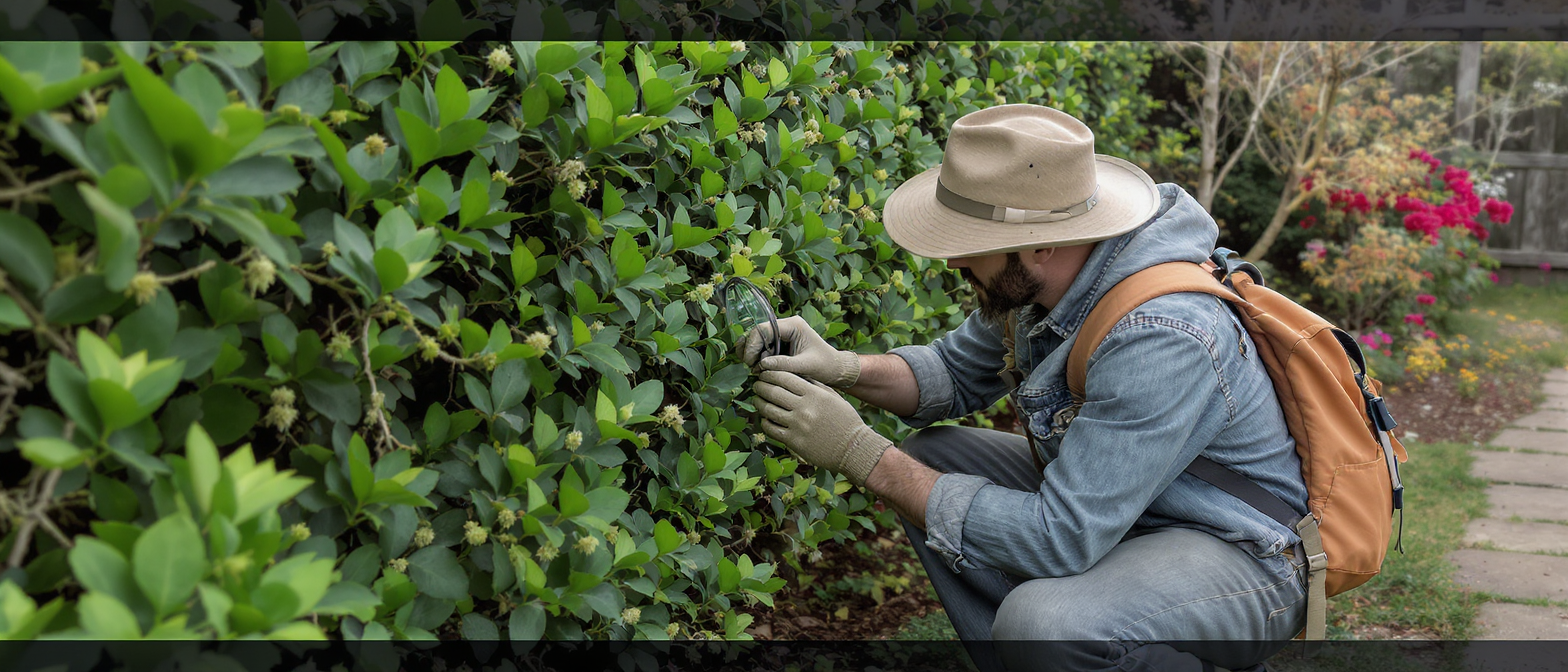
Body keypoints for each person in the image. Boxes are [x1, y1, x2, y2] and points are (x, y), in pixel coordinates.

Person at [742, 105, 1310, 672]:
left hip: (1240, 552)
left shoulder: (1163, 334)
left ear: (1041, 244)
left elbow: (1059, 538)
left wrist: (860, 456)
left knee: (1041, 626)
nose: (955, 259)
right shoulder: (1047, 282)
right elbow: (950, 373)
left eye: (972, 241)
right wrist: (841, 367)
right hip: (1134, 512)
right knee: (938, 456)